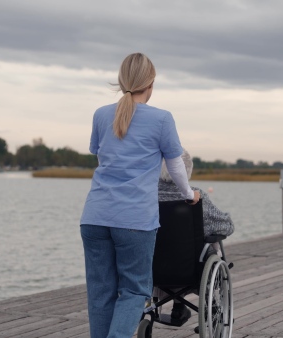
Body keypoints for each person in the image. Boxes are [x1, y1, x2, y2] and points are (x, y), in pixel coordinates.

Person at [80, 53, 200, 338]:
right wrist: (189, 194)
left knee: (100, 294)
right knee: (134, 290)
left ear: (122, 82)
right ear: (151, 84)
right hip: (134, 219)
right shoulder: (161, 119)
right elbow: (175, 165)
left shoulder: (100, 114)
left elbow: (102, 157)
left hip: (95, 216)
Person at [156, 148, 234, 322]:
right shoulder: (196, 196)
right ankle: (210, 304)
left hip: (154, 266)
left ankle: (177, 305)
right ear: (187, 171)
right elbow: (225, 227)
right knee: (209, 244)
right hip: (190, 267)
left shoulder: (146, 194)